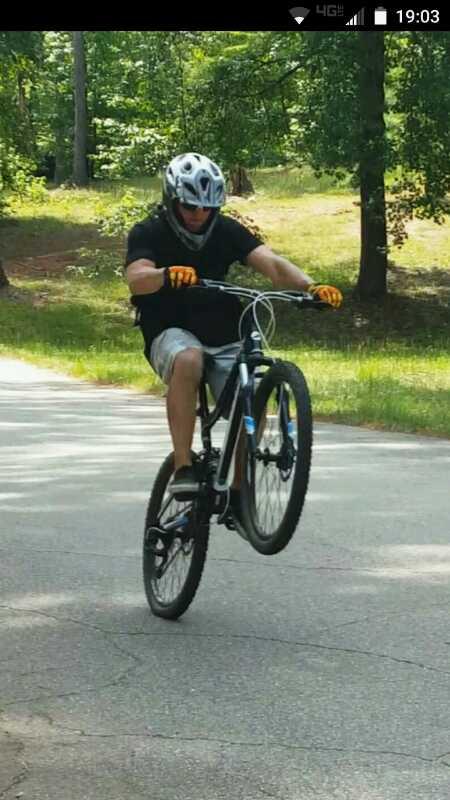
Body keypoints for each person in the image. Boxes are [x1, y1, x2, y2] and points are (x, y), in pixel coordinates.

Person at [125, 152, 342, 500]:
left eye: (208, 207)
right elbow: (136, 278)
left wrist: (310, 286)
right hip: (169, 327)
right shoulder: (149, 230)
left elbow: (271, 264)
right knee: (189, 359)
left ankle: (240, 492)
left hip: (222, 328)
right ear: (172, 199)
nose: (199, 214)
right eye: (190, 205)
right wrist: (164, 275)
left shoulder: (226, 230)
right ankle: (183, 466)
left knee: (251, 395)